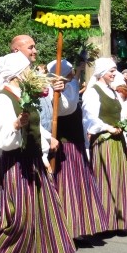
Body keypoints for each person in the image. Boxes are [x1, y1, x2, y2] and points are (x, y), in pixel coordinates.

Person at [0, 52, 75, 253]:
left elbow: (33, 126)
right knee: (18, 217)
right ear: (17, 74)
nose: (31, 73)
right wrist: (15, 124)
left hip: (32, 162)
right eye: (27, 70)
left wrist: (46, 141)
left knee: (36, 216)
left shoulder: (25, 97)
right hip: (15, 164)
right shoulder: (2, 99)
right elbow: (4, 141)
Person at [47, 59, 108, 241]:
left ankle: (79, 225)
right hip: (64, 146)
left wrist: (78, 72)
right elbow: (67, 107)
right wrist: (58, 90)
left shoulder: (69, 86)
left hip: (76, 144)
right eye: (69, 72)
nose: (73, 74)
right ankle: (65, 227)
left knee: (79, 187)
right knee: (67, 187)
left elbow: (74, 87)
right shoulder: (53, 93)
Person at [82, 58, 127, 233]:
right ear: (102, 71)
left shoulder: (112, 92)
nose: (114, 74)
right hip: (104, 140)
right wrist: (107, 128)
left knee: (119, 179)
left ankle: (118, 220)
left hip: (117, 140)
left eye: (115, 71)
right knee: (105, 179)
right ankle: (103, 222)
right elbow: (89, 118)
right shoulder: (93, 92)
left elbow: (119, 116)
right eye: (111, 71)